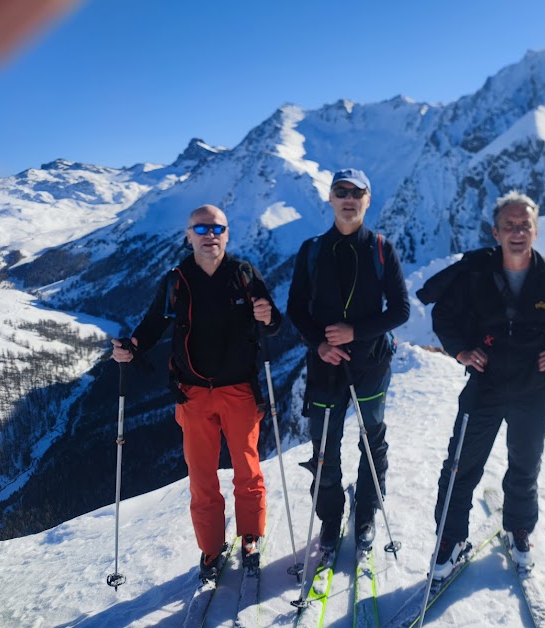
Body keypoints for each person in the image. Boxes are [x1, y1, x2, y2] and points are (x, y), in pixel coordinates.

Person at [418, 191, 545, 578]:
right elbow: (444, 316)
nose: (518, 232)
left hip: (533, 386)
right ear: (496, 232)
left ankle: (519, 528)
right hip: (485, 383)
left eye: (525, 226)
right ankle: (450, 539)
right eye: (510, 226)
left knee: (525, 465)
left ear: (535, 230)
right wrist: (461, 351)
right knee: (461, 465)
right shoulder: (475, 272)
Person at [111, 204, 281, 581]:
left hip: (239, 390)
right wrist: (132, 346)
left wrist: (268, 318)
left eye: (216, 228)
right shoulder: (176, 280)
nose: (209, 235)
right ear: (188, 236)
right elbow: (154, 322)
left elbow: (273, 322)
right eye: (200, 229)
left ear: (226, 234)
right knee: (202, 477)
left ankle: (250, 535)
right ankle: (210, 547)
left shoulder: (244, 275)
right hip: (192, 395)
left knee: (247, 469)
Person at [287, 168, 409, 552]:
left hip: (370, 362)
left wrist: (355, 333)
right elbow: (295, 309)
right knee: (324, 447)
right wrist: (319, 345)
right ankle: (330, 518)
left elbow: (401, 310)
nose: (349, 198)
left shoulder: (381, 248)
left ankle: (367, 511)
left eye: (357, 192)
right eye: (341, 191)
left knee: (372, 439)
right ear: (330, 199)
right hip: (325, 366)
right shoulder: (311, 251)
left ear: (367, 200)